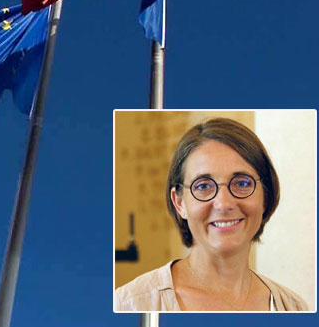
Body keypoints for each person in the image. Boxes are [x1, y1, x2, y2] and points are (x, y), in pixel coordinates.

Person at [114, 118, 308, 312]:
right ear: (179, 203)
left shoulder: (293, 307)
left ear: (265, 195)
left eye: (242, 183)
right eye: (203, 186)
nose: (224, 204)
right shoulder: (129, 304)